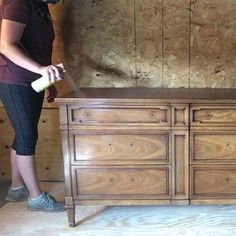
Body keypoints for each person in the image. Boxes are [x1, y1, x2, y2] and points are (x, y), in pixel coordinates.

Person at [0, 0, 65, 212]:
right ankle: (35, 198)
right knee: (27, 136)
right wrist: (41, 69)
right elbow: (6, 45)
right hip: (14, 79)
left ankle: (17, 188)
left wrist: (48, 81)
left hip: (33, 80)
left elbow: (37, 48)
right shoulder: (19, 3)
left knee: (23, 134)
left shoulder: (39, 5)